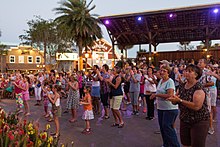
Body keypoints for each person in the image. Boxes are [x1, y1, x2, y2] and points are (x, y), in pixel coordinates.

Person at [168, 64, 210, 147]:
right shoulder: (182, 86)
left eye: (189, 71)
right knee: (185, 144)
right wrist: (174, 100)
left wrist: (179, 100)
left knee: (197, 144)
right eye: (186, 71)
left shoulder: (199, 87)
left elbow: (196, 106)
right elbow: (175, 101)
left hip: (199, 121)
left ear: (196, 75)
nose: (186, 72)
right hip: (185, 119)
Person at [150, 65, 180, 147]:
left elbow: (169, 95)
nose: (162, 72)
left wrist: (156, 95)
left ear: (168, 73)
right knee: (163, 128)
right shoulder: (161, 81)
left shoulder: (170, 81)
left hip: (169, 108)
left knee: (168, 127)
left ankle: (175, 145)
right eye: (161, 70)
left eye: (164, 71)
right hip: (161, 108)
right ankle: (166, 144)